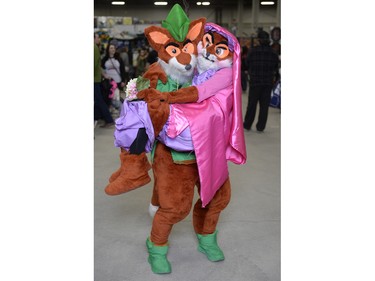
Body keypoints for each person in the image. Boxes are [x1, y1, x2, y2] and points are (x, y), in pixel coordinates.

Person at [243, 30, 279, 132]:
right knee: (264, 106)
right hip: (267, 83)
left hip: (255, 82)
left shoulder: (252, 51)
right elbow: (276, 67)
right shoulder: (273, 53)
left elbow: (247, 64)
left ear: (258, 40)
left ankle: (247, 124)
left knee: (252, 105)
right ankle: (260, 126)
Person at [94, 33, 115, 128]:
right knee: (97, 99)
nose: (99, 39)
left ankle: (108, 119)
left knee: (99, 100)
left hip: (94, 79)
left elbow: (94, 65)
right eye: (97, 37)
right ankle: (97, 117)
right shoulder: (95, 47)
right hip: (95, 78)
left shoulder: (94, 48)